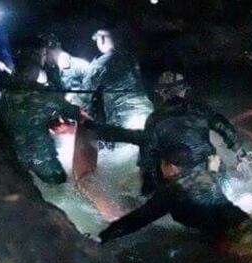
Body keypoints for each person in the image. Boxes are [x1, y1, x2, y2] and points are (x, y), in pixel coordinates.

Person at [86, 71, 238, 195]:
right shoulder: (201, 110)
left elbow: (147, 158)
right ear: (184, 91)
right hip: (215, 177)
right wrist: (240, 151)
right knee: (215, 163)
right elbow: (225, 128)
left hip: (183, 184)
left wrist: (146, 191)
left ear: (161, 93)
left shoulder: (155, 119)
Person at [98, 143, 252, 243]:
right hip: (245, 223)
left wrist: (103, 236)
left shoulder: (172, 191)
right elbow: (212, 177)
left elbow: (136, 220)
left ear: (170, 167)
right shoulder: (204, 175)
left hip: (226, 239)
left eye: (162, 164)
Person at [0, 56, 82, 184]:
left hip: (12, 156)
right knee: (59, 183)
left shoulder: (6, 93)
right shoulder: (43, 95)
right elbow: (73, 112)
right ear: (34, 75)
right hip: (40, 157)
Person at [78, 28, 153, 129]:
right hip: (148, 116)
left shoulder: (101, 63)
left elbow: (84, 95)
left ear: (102, 39)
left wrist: (69, 104)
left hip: (125, 120)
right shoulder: (129, 58)